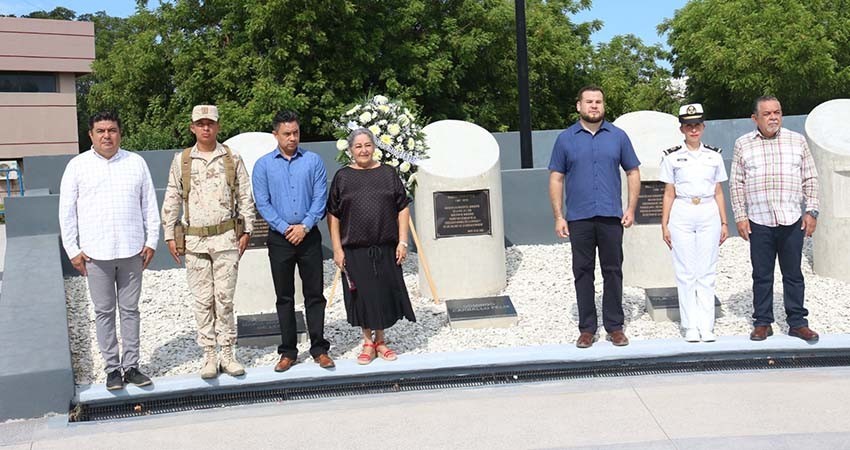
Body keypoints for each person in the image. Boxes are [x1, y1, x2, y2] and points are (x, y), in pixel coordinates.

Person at [59, 111, 160, 390]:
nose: (107, 135)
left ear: (120, 133)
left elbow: (149, 206)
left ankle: (132, 367)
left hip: (131, 251)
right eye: (101, 130)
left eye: (112, 130)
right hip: (95, 254)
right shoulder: (77, 166)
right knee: (104, 312)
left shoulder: (135, 163)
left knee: (130, 310)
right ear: (90, 135)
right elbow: (66, 212)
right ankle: (112, 370)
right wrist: (73, 250)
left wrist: (152, 241)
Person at [161, 105, 255, 379]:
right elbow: (172, 196)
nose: (205, 128)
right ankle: (209, 355)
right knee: (202, 301)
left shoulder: (232, 158)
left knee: (224, 300)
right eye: (200, 123)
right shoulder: (183, 160)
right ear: (192, 127)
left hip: (226, 239)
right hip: (195, 241)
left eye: (210, 123)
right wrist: (169, 233)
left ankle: (227, 353)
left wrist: (246, 229)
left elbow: (245, 196)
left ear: (217, 126)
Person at [548, 85, 641, 349]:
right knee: (583, 272)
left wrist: (631, 208)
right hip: (579, 217)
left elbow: (633, 172)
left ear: (604, 106)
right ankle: (587, 328)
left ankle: (614, 326)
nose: (594, 106)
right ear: (579, 106)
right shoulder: (565, 139)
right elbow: (556, 177)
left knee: (613, 271)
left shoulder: (618, 137)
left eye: (598, 101)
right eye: (589, 101)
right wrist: (558, 216)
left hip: (611, 216)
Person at [730, 96, 820, 343]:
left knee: (793, 274)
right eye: (767, 113)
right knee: (761, 274)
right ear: (755, 118)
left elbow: (810, 178)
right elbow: (736, 183)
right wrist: (740, 216)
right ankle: (762, 322)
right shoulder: (743, 144)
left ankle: (798, 323)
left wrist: (811, 211)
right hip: (759, 220)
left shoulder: (797, 140)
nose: (773, 117)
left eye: (777, 112)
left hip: (791, 219)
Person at [252, 111, 334, 372]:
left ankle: (319, 348)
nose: (292, 138)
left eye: (296, 132)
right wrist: (285, 228)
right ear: (275, 134)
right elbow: (262, 202)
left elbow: (321, 197)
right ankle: (288, 351)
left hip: (309, 237)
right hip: (280, 239)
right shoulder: (263, 165)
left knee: (314, 294)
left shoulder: (313, 162)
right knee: (284, 296)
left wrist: (306, 226)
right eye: (287, 133)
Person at [327, 128, 416, 365]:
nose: (363, 150)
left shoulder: (388, 174)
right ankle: (367, 341)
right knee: (363, 296)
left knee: (384, 293)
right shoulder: (342, 177)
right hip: (355, 248)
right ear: (350, 150)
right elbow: (333, 215)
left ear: (374, 147)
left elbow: (402, 207)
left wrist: (403, 240)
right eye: (358, 146)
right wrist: (337, 248)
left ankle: (382, 340)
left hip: (385, 246)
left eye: (367, 145)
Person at [659, 103, 729, 343]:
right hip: (683, 210)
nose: (693, 130)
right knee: (686, 271)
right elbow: (669, 192)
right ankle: (690, 325)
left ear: (703, 126)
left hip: (708, 210)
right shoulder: (672, 157)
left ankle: (706, 325)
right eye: (688, 125)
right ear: (682, 129)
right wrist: (664, 223)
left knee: (707, 271)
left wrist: (724, 222)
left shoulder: (714, 155)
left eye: (697, 125)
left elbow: (719, 191)